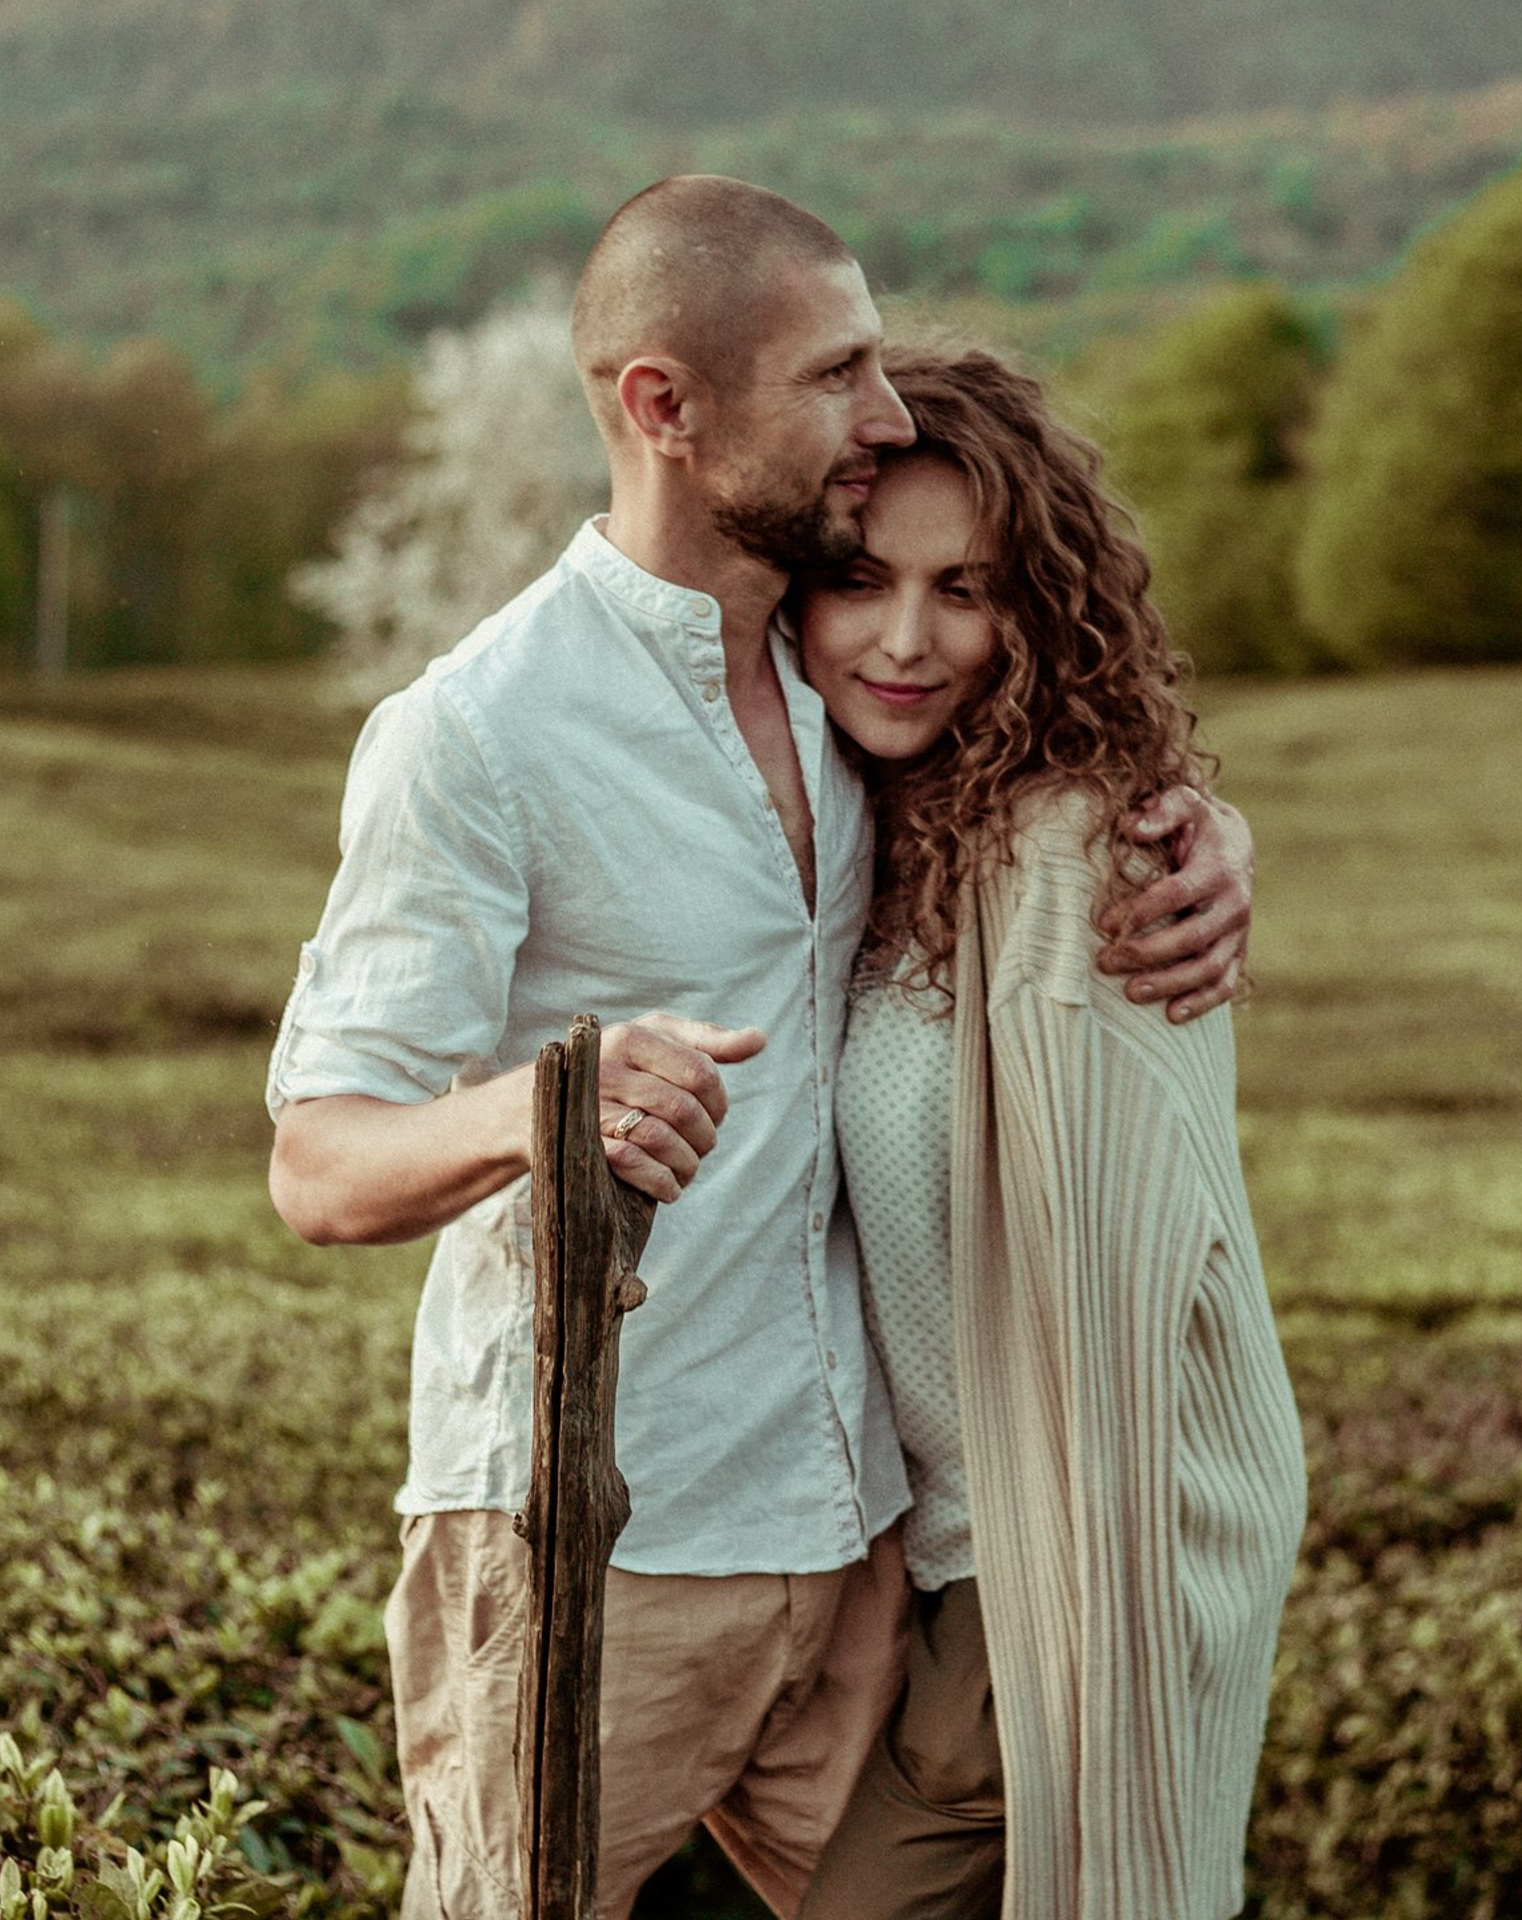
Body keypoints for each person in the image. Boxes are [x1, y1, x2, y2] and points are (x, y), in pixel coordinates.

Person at [266, 177, 1258, 1920]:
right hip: (601, 1547)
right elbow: (319, 1159)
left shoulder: (836, 682)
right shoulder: (476, 737)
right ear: (665, 409)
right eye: (837, 376)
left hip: (854, 1535)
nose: (882, 416)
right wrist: (544, 1105)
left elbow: (1041, 781)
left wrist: (1197, 831)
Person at [792, 345, 1309, 1920]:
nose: (903, 639)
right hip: (950, 1572)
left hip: (1079, 1557)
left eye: (968, 588)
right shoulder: (871, 824)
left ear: (1043, 611)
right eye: (861, 580)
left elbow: (1118, 1292)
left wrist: (1082, 1650)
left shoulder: (1073, 850)